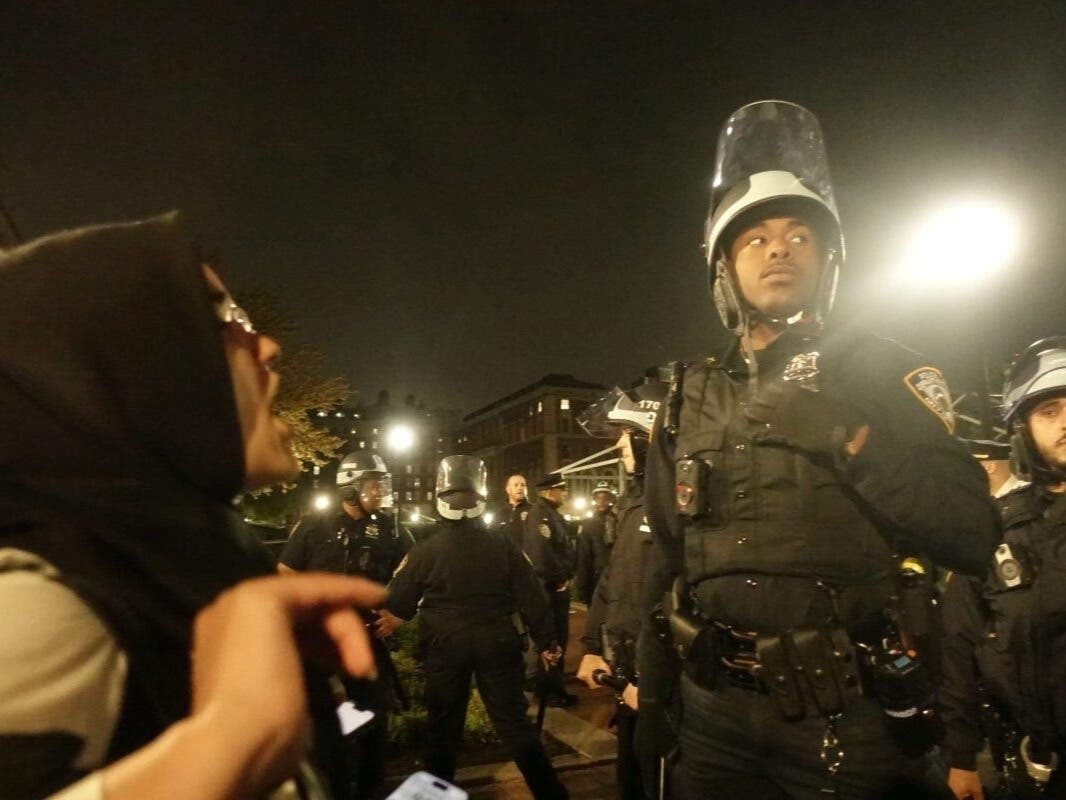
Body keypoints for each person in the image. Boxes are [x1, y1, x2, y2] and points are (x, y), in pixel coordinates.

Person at [638, 100, 1001, 800]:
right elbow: (665, 555)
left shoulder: (888, 374)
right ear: (724, 270)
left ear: (828, 260)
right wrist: (653, 699)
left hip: (847, 724)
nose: (779, 248)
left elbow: (974, 532)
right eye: (756, 239)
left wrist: (853, 440)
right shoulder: (686, 393)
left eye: (799, 235)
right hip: (713, 717)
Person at [0, 213, 363, 799]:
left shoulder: (172, 557)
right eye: (227, 320)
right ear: (128, 365)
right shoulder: (47, 594)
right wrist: (227, 742)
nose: (268, 347)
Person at [385, 456, 570, 800]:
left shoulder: (426, 551)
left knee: (442, 728)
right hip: (497, 640)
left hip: (444, 644)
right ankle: (552, 795)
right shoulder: (503, 546)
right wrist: (548, 642)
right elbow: (532, 597)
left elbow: (398, 603)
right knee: (515, 725)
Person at [940, 338, 1066, 800]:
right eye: (1049, 411)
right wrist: (960, 757)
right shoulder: (992, 529)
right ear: (1022, 430)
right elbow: (959, 646)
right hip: (1032, 767)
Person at [279, 450, 412, 797]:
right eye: (372, 483)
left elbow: (415, 572)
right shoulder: (313, 526)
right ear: (349, 487)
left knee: (374, 727)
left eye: (382, 483)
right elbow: (285, 580)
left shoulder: (390, 529)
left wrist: (399, 615)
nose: (380, 491)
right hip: (320, 647)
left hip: (367, 643)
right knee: (327, 734)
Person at [576, 383, 667, 800]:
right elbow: (612, 580)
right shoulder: (634, 501)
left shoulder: (677, 504)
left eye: (627, 437)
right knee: (629, 782)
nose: (621, 449)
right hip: (627, 680)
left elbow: (683, 596)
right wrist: (592, 644)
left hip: (659, 688)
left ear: (652, 437)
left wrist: (653, 680)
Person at [524, 472, 578, 706]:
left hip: (555, 586)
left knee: (559, 639)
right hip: (549, 588)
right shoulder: (540, 515)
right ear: (549, 491)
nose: (564, 492)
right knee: (551, 640)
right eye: (561, 488)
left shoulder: (550, 514)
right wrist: (560, 578)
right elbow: (542, 555)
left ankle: (555, 687)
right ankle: (548, 692)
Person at [575, 481, 617, 606]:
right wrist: (582, 585)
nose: (602, 501)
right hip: (596, 579)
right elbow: (584, 556)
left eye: (605, 497)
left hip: (616, 577)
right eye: (598, 498)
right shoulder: (588, 525)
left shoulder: (621, 520)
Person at [497, 473, 532, 548]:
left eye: (523, 485)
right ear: (508, 489)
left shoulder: (534, 510)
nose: (520, 488)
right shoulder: (500, 514)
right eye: (516, 485)